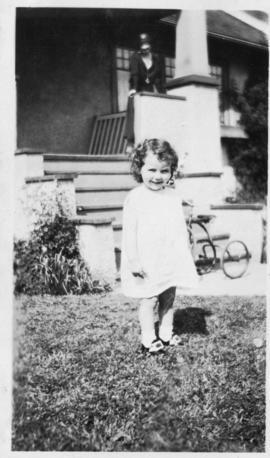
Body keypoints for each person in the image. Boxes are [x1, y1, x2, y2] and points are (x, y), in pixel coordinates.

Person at [121, 139, 198, 354]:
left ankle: (166, 332)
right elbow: (130, 231)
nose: (157, 176)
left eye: (164, 171)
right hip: (146, 258)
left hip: (168, 257)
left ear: (171, 171)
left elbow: (177, 227)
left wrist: (182, 251)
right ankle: (148, 339)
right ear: (139, 169)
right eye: (151, 169)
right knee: (149, 298)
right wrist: (134, 260)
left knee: (168, 296)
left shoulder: (172, 196)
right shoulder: (136, 198)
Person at [124, 34, 166, 153]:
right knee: (134, 110)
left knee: (153, 113)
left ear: (150, 47)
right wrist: (133, 89)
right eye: (143, 49)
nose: (145, 51)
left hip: (150, 90)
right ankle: (130, 143)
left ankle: (151, 143)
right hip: (138, 89)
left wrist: (162, 92)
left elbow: (160, 77)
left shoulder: (156, 59)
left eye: (147, 48)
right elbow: (134, 74)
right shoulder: (135, 57)